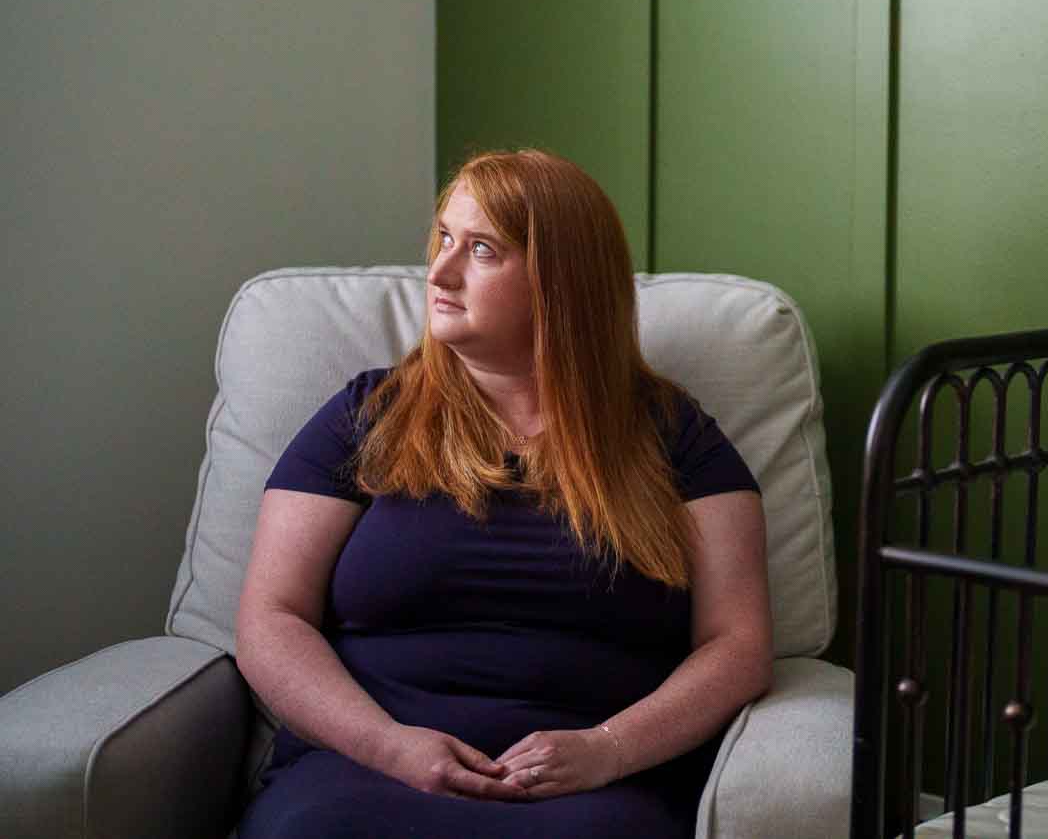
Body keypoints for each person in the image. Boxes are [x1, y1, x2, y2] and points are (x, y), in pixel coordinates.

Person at [234, 149, 772, 838]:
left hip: (592, 792)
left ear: (561, 281)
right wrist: (388, 745)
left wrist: (608, 749)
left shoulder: (673, 436)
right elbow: (270, 617)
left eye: (482, 249)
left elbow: (738, 643)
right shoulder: (366, 414)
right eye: (445, 238)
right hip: (361, 771)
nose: (441, 271)